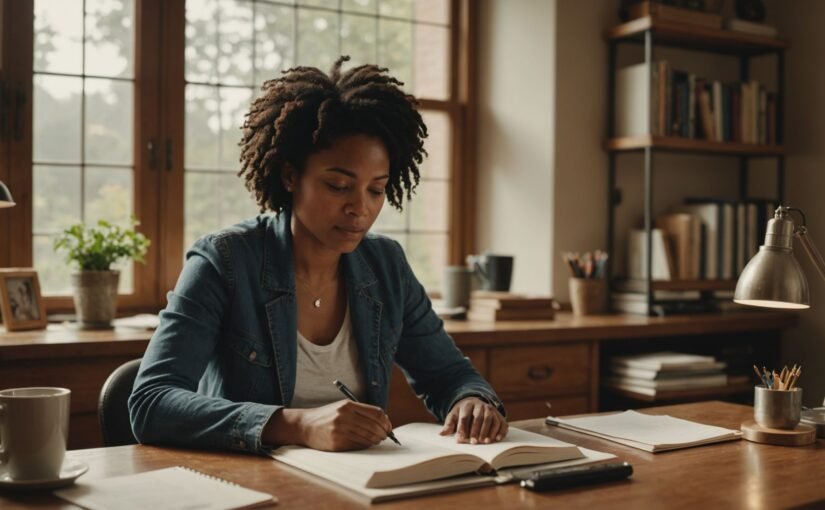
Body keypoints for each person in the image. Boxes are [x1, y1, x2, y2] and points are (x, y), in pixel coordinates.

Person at [129, 56, 507, 454]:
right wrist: (297, 424)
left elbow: (448, 374)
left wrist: (471, 400)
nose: (360, 208)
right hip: (247, 480)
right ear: (291, 176)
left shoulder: (387, 266)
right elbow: (151, 403)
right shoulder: (224, 261)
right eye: (338, 186)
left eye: (376, 190)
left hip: (359, 479)